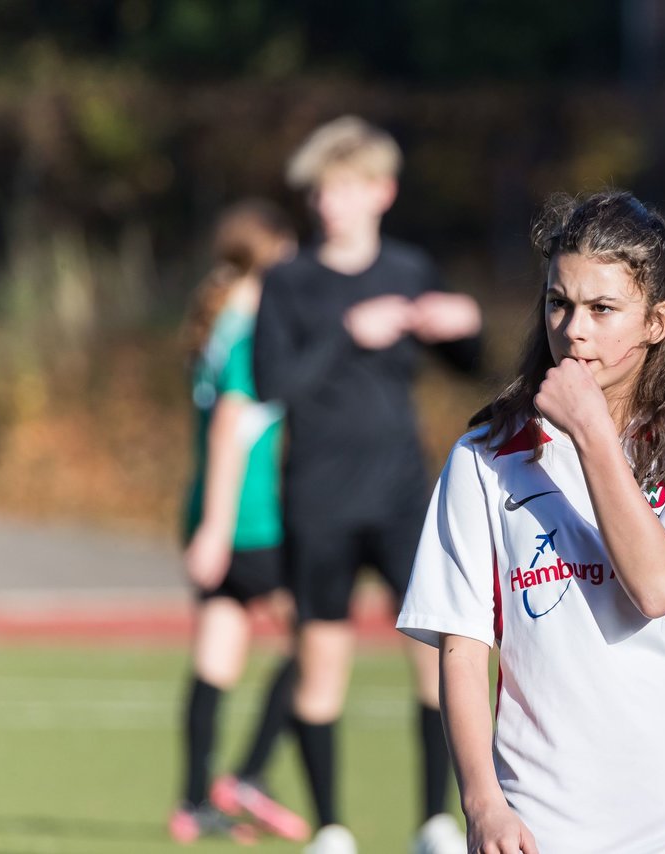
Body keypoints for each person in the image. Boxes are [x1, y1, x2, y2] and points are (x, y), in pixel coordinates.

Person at [397, 190, 665, 854]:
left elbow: (655, 588)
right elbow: (463, 649)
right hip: (540, 829)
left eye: (603, 309)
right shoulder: (485, 458)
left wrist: (590, 431)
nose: (575, 329)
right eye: (559, 303)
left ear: (659, 320)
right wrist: (482, 805)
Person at [253, 117, 483, 854]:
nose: (329, 203)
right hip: (318, 500)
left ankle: (435, 820)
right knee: (320, 667)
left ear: (381, 192)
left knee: (438, 659)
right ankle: (331, 828)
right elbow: (270, 383)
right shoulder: (287, 282)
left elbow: (466, 366)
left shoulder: (412, 269)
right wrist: (347, 332)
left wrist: (464, 326)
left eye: (345, 188)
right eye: (320, 190)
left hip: (402, 497)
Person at [171, 200, 311, 843]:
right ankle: (249, 775)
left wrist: (205, 525)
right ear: (272, 254)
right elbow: (232, 424)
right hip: (248, 522)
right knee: (314, 642)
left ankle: (195, 802)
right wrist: (220, 531)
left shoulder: (219, 322)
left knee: (217, 658)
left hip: (209, 512)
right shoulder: (255, 330)